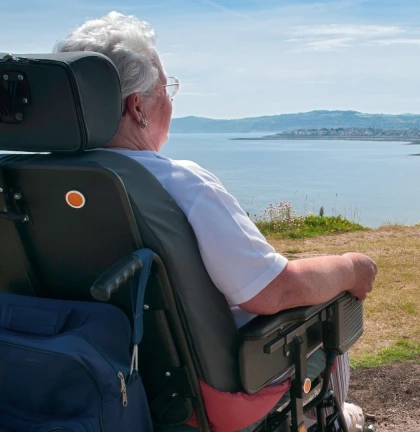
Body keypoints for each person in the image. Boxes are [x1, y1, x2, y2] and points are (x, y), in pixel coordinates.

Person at [54, 11, 376, 431]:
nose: (170, 99)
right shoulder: (179, 184)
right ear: (138, 108)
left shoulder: (30, 183)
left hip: (78, 366)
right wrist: (353, 265)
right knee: (336, 304)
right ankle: (329, 420)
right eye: (165, 88)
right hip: (200, 390)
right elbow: (273, 291)